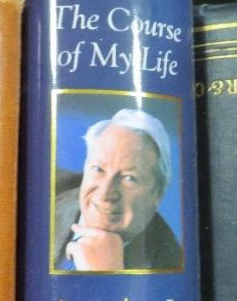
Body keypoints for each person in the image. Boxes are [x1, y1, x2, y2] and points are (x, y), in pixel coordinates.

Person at [54, 108, 182, 271]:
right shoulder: (44, 185)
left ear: (157, 196)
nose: (105, 193)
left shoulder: (170, 264)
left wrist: (105, 274)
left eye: (129, 178)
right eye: (98, 169)